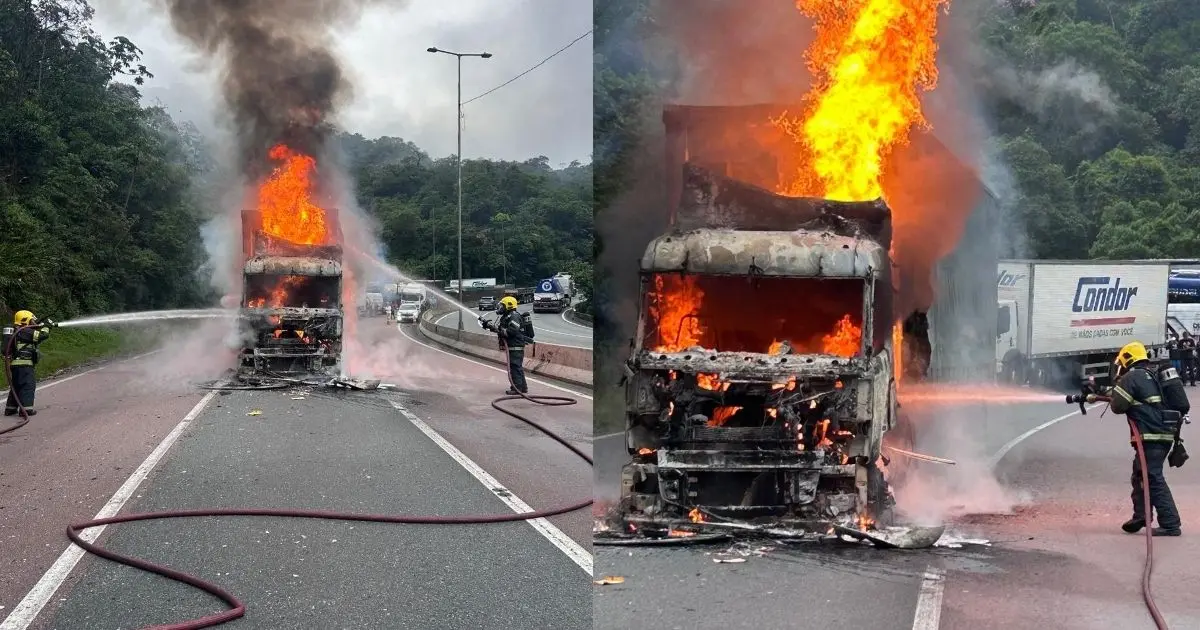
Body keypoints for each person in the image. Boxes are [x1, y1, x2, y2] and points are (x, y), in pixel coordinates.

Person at [1105, 341, 1184, 537]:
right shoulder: (1152, 373)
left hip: (1151, 435)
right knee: (1140, 474)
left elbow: (1118, 406)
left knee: (1152, 477)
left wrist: (1114, 390)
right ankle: (1141, 516)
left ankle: (1170, 523)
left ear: (1127, 359)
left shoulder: (1132, 376)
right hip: (1164, 432)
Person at [4, 310, 55, 418]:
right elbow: (42, 335)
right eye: (31, 320)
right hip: (25, 365)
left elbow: (35, 340)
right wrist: (47, 326)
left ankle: (10, 409)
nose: (33, 322)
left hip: (15, 365)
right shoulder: (25, 331)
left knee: (16, 386)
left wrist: (42, 325)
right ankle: (26, 410)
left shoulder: (17, 331)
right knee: (28, 386)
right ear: (25, 320)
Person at [479, 296, 533, 395]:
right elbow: (501, 331)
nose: (500, 307)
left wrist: (498, 329)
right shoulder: (507, 316)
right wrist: (489, 326)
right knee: (517, 367)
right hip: (513, 346)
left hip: (515, 346)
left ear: (508, 306)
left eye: (502, 305)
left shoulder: (514, 316)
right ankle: (522, 387)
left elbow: (511, 331)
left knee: (515, 367)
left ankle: (516, 389)